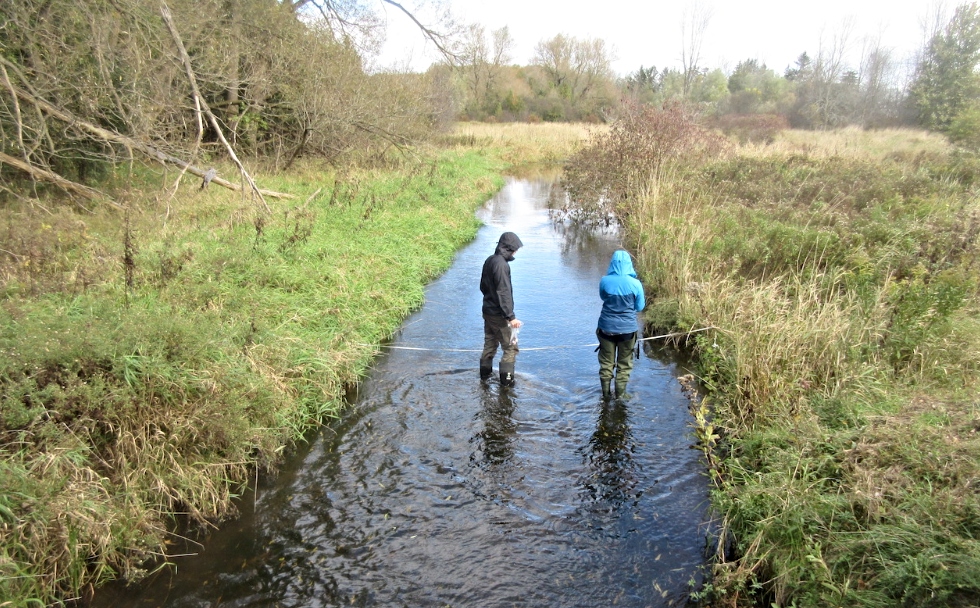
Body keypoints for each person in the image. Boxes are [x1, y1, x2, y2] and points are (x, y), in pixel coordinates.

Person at [597, 249, 645, 400]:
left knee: (606, 362)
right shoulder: (636, 284)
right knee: (624, 364)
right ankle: (621, 395)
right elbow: (640, 307)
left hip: (606, 328)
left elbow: (603, 297)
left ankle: (605, 395)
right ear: (629, 264)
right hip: (627, 331)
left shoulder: (604, 280)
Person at [480, 232, 523, 386]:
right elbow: (503, 292)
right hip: (499, 315)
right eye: (515, 248)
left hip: (487, 311)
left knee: (490, 344)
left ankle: (484, 378)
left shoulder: (490, 260)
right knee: (511, 348)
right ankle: (507, 385)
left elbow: (483, 287)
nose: (516, 251)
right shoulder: (502, 265)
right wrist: (511, 317)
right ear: (509, 248)